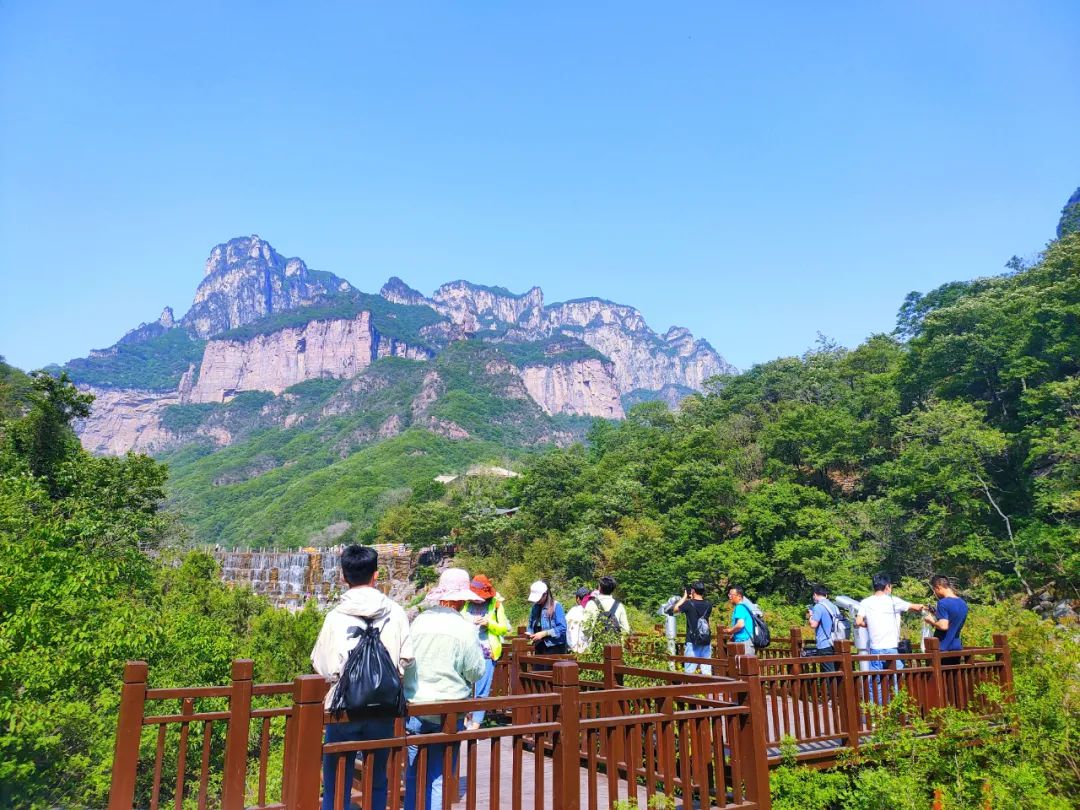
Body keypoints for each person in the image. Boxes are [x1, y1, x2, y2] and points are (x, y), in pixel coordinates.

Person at [310, 545, 413, 810]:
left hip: (343, 708)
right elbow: (407, 659)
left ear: (343, 577)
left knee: (335, 779)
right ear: (376, 575)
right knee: (379, 776)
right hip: (383, 708)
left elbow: (323, 665)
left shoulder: (335, 617)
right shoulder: (396, 611)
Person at [404, 568, 486, 810]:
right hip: (448, 712)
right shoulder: (464, 629)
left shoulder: (419, 621)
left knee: (412, 774)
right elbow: (475, 672)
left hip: (415, 705)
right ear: (462, 599)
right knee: (439, 777)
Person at [856, 573, 925, 703]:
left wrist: (869, 625)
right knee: (896, 680)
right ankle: (897, 714)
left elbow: (858, 621)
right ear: (887, 586)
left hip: (875, 649)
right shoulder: (893, 601)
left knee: (876, 683)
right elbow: (915, 607)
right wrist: (923, 606)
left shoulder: (865, 602)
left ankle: (877, 715)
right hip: (892, 649)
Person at [461, 574, 510, 729]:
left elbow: (504, 628)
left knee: (482, 688)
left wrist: (489, 623)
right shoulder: (464, 604)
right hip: (467, 650)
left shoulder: (496, 605)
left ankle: (476, 724)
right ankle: (462, 720)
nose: (477, 599)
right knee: (464, 687)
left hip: (487, 651)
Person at [923, 575, 968, 666]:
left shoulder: (943, 603)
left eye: (934, 590)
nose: (935, 593)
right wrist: (936, 614)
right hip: (956, 647)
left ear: (938, 587)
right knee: (954, 678)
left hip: (942, 647)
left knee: (938, 678)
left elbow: (944, 626)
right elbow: (952, 620)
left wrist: (931, 620)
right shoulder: (963, 603)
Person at [673, 581, 714, 675]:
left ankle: (689, 689)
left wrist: (684, 597)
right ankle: (709, 689)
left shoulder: (689, 604)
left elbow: (675, 609)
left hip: (692, 640)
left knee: (689, 671)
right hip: (705, 639)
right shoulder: (709, 604)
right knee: (706, 671)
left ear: (693, 591)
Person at [526, 580, 568, 654]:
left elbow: (562, 628)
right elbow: (531, 623)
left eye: (539, 598)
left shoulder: (556, 606)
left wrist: (544, 633)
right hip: (539, 646)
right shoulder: (535, 608)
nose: (537, 601)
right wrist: (530, 633)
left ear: (545, 594)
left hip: (555, 647)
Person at [807, 584, 841, 673]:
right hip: (836, 643)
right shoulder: (834, 606)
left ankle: (831, 687)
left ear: (815, 594)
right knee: (835, 671)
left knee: (829, 673)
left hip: (824, 644)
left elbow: (813, 624)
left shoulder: (818, 606)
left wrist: (810, 615)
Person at [720, 585, 756, 656]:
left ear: (739, 596)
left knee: (745, 665)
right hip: (745, 641)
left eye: (731, 595)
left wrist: (730, 631)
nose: (729, 596)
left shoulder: (740, 607)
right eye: (729, 594)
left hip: (744, 641)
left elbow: (740, 625)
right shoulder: (745, 606)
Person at [565, 586, 595, 654]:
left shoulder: (572, 611)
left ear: (578, 598)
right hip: (587, 651)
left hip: (572, 649)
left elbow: (565, 627)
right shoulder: (591, 611)